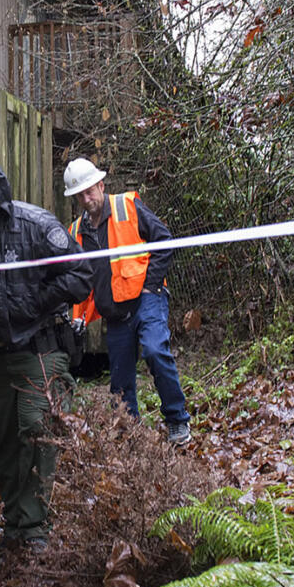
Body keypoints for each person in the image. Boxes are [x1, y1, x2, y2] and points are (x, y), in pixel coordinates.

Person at [0, 158, 91, 549]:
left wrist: (39, 300)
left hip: (38, 348)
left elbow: (81, 276)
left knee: (37, 432)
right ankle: (18, 523)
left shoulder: (36, 226)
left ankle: (37, 525)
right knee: (6, 441)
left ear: (0, 198)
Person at [62, 158, 192, 444]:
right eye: (79, 195)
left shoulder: (127, 206)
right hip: (114, 313)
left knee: (156, 352)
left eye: (89, 191)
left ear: (100, 184)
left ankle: (177, 421)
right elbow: (82, 281)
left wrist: (150, 286)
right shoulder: (75, 233)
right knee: (120, 383)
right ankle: (129, 436)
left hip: (146, 300)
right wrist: (79, 316)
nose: (86, 199)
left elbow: (163, 241)